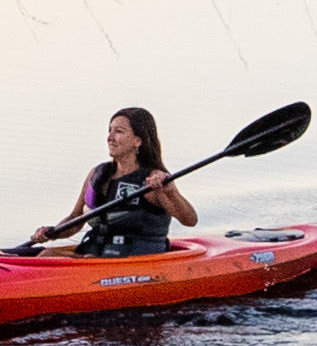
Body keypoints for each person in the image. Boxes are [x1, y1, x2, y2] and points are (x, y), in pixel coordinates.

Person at [34, 104, 198, 257]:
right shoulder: (96, 174)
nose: (110, 138)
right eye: (110, 130)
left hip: (135, 261)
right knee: (42, 254)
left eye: (119, 131)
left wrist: (170, 191)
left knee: (51, 257)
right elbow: (76, 219)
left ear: (137, 141)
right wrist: (52, 232)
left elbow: (190, 220)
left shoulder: (153, 181)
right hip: (95, 254)